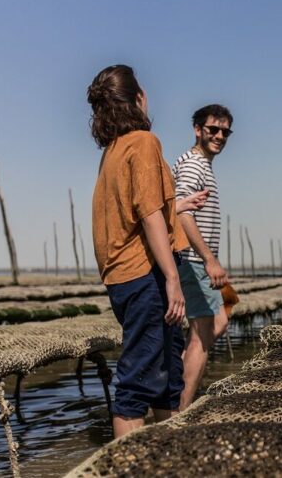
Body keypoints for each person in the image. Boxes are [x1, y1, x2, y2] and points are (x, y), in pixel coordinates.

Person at [88, 65, 200, 438]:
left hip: (125, 279)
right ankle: (129, 465)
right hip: (145, 276)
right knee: (136, 384)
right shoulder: (142, 142)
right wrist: (172, 278)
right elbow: (149, 214)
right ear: (138, 98)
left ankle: (165, 456)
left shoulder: (113, 150)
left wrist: (178, 207)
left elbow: (138, 210)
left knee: (168, 376)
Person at [172, 104, 233, 410]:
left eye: (225, 131)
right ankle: (180, 411)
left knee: (224, 315)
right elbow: (182, 214)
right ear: (197, 129)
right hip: (194, 262)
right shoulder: (194, 164)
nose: (219, 136)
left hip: (199, 263)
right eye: (213, 130)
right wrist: (209, 259)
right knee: (201, 338)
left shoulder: (202, 164)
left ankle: (176, 385)